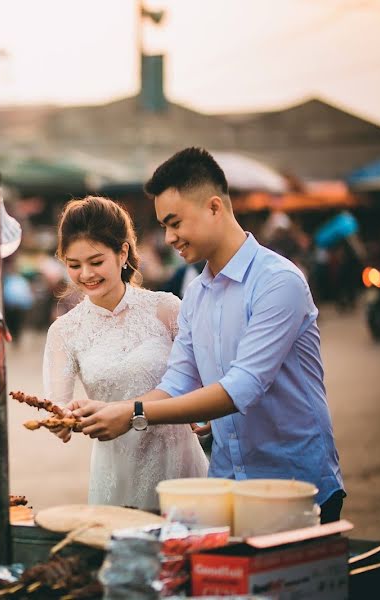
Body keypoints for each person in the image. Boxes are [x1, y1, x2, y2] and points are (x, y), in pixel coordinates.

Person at [68, 148, 345, 522]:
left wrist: (133, 411)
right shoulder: (197, 294)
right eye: (164, 226)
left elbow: (241, 388)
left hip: (294, 487)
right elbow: (179, 381)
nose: (168, 237)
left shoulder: (278, 282)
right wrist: (118, 409)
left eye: (174, 222)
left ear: (214, 207)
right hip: (227, 485)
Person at [43, 196, 208, 510]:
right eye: (74, 265)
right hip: (116, 472)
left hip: (180, 465)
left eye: (96, 261)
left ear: (122, 253)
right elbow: (58, 408)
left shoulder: (167, 308)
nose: (86, 274)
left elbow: (203, 379)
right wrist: (65, 419)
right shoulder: (64, 332)